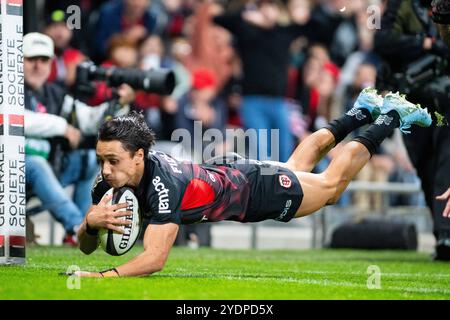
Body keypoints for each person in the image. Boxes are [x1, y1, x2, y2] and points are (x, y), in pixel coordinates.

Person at [74, 87, 432, 277]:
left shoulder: (161, 186)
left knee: (331, 188)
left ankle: (389, 117)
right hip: (231, 173)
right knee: (297, 165)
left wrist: (105, 278)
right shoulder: (106, 185)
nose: (105, 170)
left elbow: (154, 259)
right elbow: (86, 246)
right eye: (102, 160)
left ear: (138, 157)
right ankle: (361, 111)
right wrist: (89, 224)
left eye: (113, 161)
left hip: (256, 189)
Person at [23, 32, 133, 244]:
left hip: (52, 168)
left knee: (92, 159)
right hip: (12, 173)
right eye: (31, 59)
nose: (38, 66)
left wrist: (119, 103)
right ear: (18, 61)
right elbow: (16, 118)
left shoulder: (54, 93)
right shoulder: (7, 89)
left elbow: (90, 119)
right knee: (35, 164)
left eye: (43, 60)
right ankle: (78, 227)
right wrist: (62, 126)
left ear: (51, 64)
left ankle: (80, 230)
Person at [374, 0, 450, 261]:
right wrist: (425, 44)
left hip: (445, 97)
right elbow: (382, 42)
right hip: (414, 99)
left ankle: (445, 236)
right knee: (424, 165)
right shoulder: (401, 5)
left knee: (446, 160)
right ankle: (442, 235)